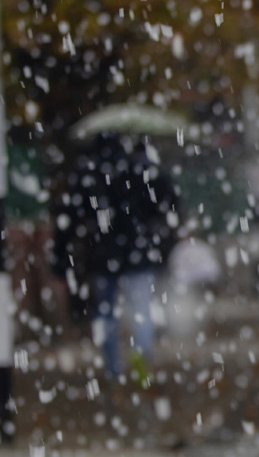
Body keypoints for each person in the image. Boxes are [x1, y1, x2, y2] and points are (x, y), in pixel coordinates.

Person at [54, 132, 180, 380]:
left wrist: (64, 251)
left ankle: (113, 367)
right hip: (138, 251)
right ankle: (141, 359)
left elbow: (71, 215)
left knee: (105, 311)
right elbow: (167, 202)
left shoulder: (90, 172)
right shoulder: (140, 169)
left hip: (102, 253)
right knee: (141, 308)